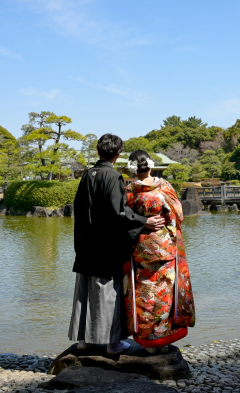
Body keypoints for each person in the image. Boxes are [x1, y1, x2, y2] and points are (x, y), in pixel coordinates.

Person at [68, 134, 165, 354]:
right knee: (108, 293)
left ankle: (84, 341)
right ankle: (112, 343)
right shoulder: (113, 177)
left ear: (98, 151)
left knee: (85, 291)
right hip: (105, 246)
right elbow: (118, 212)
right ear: (118, 154)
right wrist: (144, 222)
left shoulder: (87, 175)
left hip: (85, 243)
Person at [123, 149, 195, 351]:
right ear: (151, 165)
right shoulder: (166, 187)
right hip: (165, 249)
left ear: (132, 168)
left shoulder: (130, 192)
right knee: (164, 294)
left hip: (142, 250)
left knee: (145, 293)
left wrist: (144, 224)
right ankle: (163, 337)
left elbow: (124, 220)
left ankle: (148, 341)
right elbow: (178, 215)